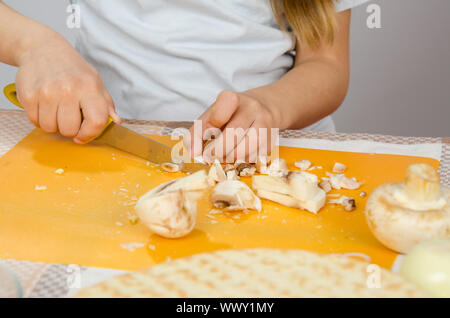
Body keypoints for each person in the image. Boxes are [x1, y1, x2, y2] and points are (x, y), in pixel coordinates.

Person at [0, 0, 369, 162]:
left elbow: (326, 63)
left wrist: (272, 108)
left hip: (277, 150)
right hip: (104, 143)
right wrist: (34, 45)